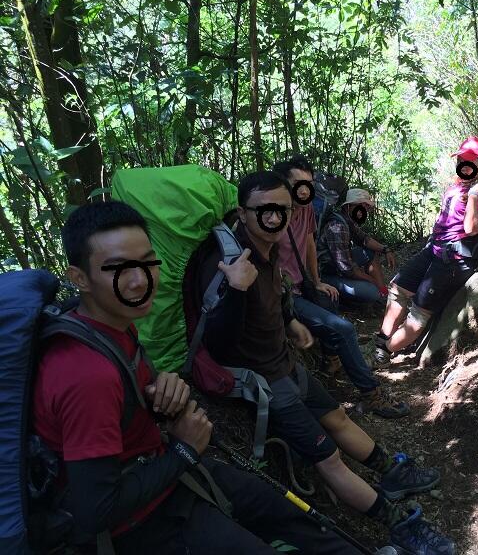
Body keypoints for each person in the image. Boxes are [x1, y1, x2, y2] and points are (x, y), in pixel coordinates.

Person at [32, 200, 363, 554]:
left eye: (147, 262)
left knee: (284, 511)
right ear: (78, 278)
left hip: (165, 474)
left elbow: (124, 405)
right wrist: (185, 450)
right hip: (142, 523)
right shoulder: (85, 375)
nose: (137, 279)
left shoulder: (110, 327)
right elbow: (95, 511)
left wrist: (159, 394)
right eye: (116, 268)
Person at [197, 170, 455, 555]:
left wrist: (291, 323)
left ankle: (392, 472)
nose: (274, 218)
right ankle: (398, 524)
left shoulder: (265, 252)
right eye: (264, 210)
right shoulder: (227, 262)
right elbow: (216, 342)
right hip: (262, 382)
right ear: (242, 211)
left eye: (281, 209)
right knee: (329, 459)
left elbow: (277, 296)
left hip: (286, 364)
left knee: (338, 417)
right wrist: (235, 290)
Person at [273, 157, 410, 417]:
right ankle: (371, 394)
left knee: (329, 299)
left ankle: (331, 360)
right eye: (297, 184)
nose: (304, 190)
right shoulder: (273, 218)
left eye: (309, 184)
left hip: (303, 285)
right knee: (344, 329)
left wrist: (316, 281)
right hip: (284, 295)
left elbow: (310, 244)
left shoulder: (306, 211)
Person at [374, 136, 478, 365]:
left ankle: (384, 352)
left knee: (419, 312)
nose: (463, 162)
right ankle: (380, 342)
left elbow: (471, 228)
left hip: (455, 259)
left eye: (469, 159)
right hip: (433, 249)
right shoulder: (457, 185)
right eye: (461, 158)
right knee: (398, 287)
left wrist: (474, 194)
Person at [317, 188, 396, 306]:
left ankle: (383, 293)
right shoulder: (338, 226)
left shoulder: (347, 220)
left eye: (366, 207)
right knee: (372, 292)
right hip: (326, 273)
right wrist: (372, 281)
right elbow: (347, 269)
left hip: (337, 266)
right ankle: (369, 294)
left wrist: (386, 249)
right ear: (348, 206)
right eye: (360, 206)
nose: (363, 210)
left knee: (370, 252)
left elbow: (364, 239)